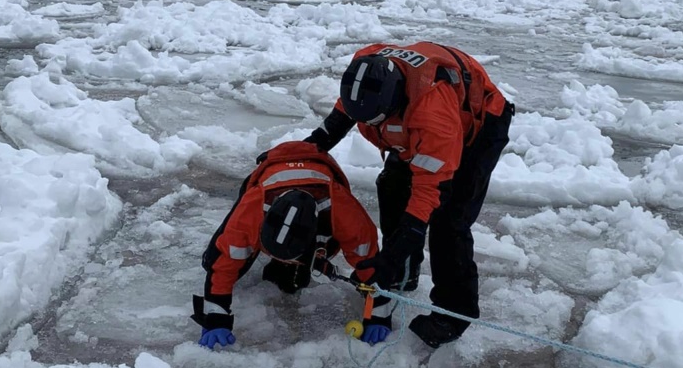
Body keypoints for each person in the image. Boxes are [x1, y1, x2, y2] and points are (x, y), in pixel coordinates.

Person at [307, 42, 513, 348]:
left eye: (374, 120)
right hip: (411, 126)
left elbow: (426, 197)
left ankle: (453, 315)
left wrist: (387, 259)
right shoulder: (368, 69)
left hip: (478, 126)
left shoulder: (432, 116)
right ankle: (404, 273)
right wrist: (308, 147)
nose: (368, 126)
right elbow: (346, 110)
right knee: (392, 186)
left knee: (448, 221)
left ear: (393, 103)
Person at [192, 140, 383, 349]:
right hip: (269, 175)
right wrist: (216, 318)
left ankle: (290, 264)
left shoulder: (345, 213)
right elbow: (223, 266)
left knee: (289, 283)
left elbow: (371, 263)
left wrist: (379, 315)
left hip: (320, 183)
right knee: (212, 261)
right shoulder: (249, 212)